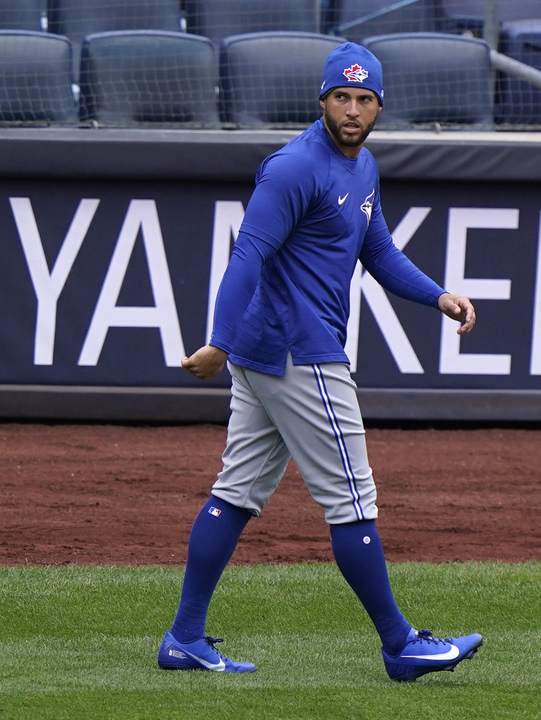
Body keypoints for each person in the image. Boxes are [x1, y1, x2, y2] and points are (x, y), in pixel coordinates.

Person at [156, 42, 482, 682]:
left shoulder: (361, 167)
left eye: (365, 100)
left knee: (237, 493)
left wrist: (438, 295)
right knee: (353, 499)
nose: (353, 110)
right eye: (342, 97)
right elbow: (247, 253)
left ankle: (185, 638)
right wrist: (218, 342)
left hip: (269, 352)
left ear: (379, 105)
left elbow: (379, 251)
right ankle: (400, 644)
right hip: (298, 353)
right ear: (323, 99)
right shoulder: (293, 168)